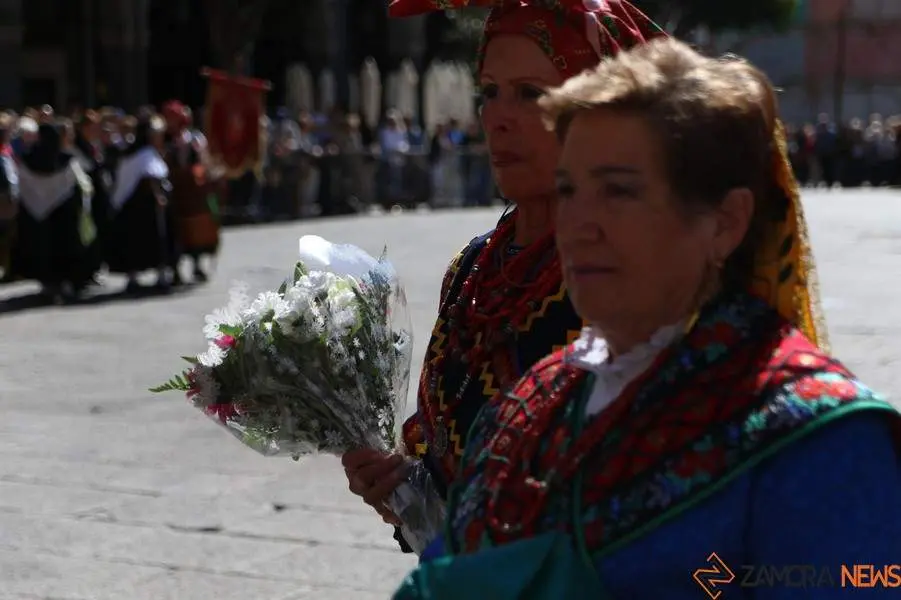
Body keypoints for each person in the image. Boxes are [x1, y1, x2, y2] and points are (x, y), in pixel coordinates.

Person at [395, 38, 901, 599]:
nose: (579, 224)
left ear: (725, 222)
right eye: (569, 190)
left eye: (618, 192)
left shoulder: (817, 441)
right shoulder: (528, 405)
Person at [342, 0, 664, 554]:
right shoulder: (473, 268)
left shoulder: (638, 278)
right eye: (489, 91)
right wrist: (402, 491)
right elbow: (450, 474)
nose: (497, 117)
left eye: (531, 94)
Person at [7, 122, 96, 302]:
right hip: (64, 218)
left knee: (43, 250)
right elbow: (79, 186)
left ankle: (48, 284)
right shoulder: (67, 160)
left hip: (38, 220)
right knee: (64, 249)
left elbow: (23, 188)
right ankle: (65, 283)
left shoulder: (27, 159)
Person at [104, 114, 177, 293]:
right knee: (145, 241)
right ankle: (140, 276)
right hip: (143, 206)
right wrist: (158, 196)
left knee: (144, 241)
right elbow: (151, 176)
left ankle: (153, 275)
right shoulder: (143, 154)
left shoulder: (140, 153)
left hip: (139, 206)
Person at [163, 100, 219, 283]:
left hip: (194, 193)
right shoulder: (164, 141)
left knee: (196, 230)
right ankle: (175, 270)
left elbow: (205, 162)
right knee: (175, 231)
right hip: (175, 192)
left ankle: (197, 265)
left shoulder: (195, 139)